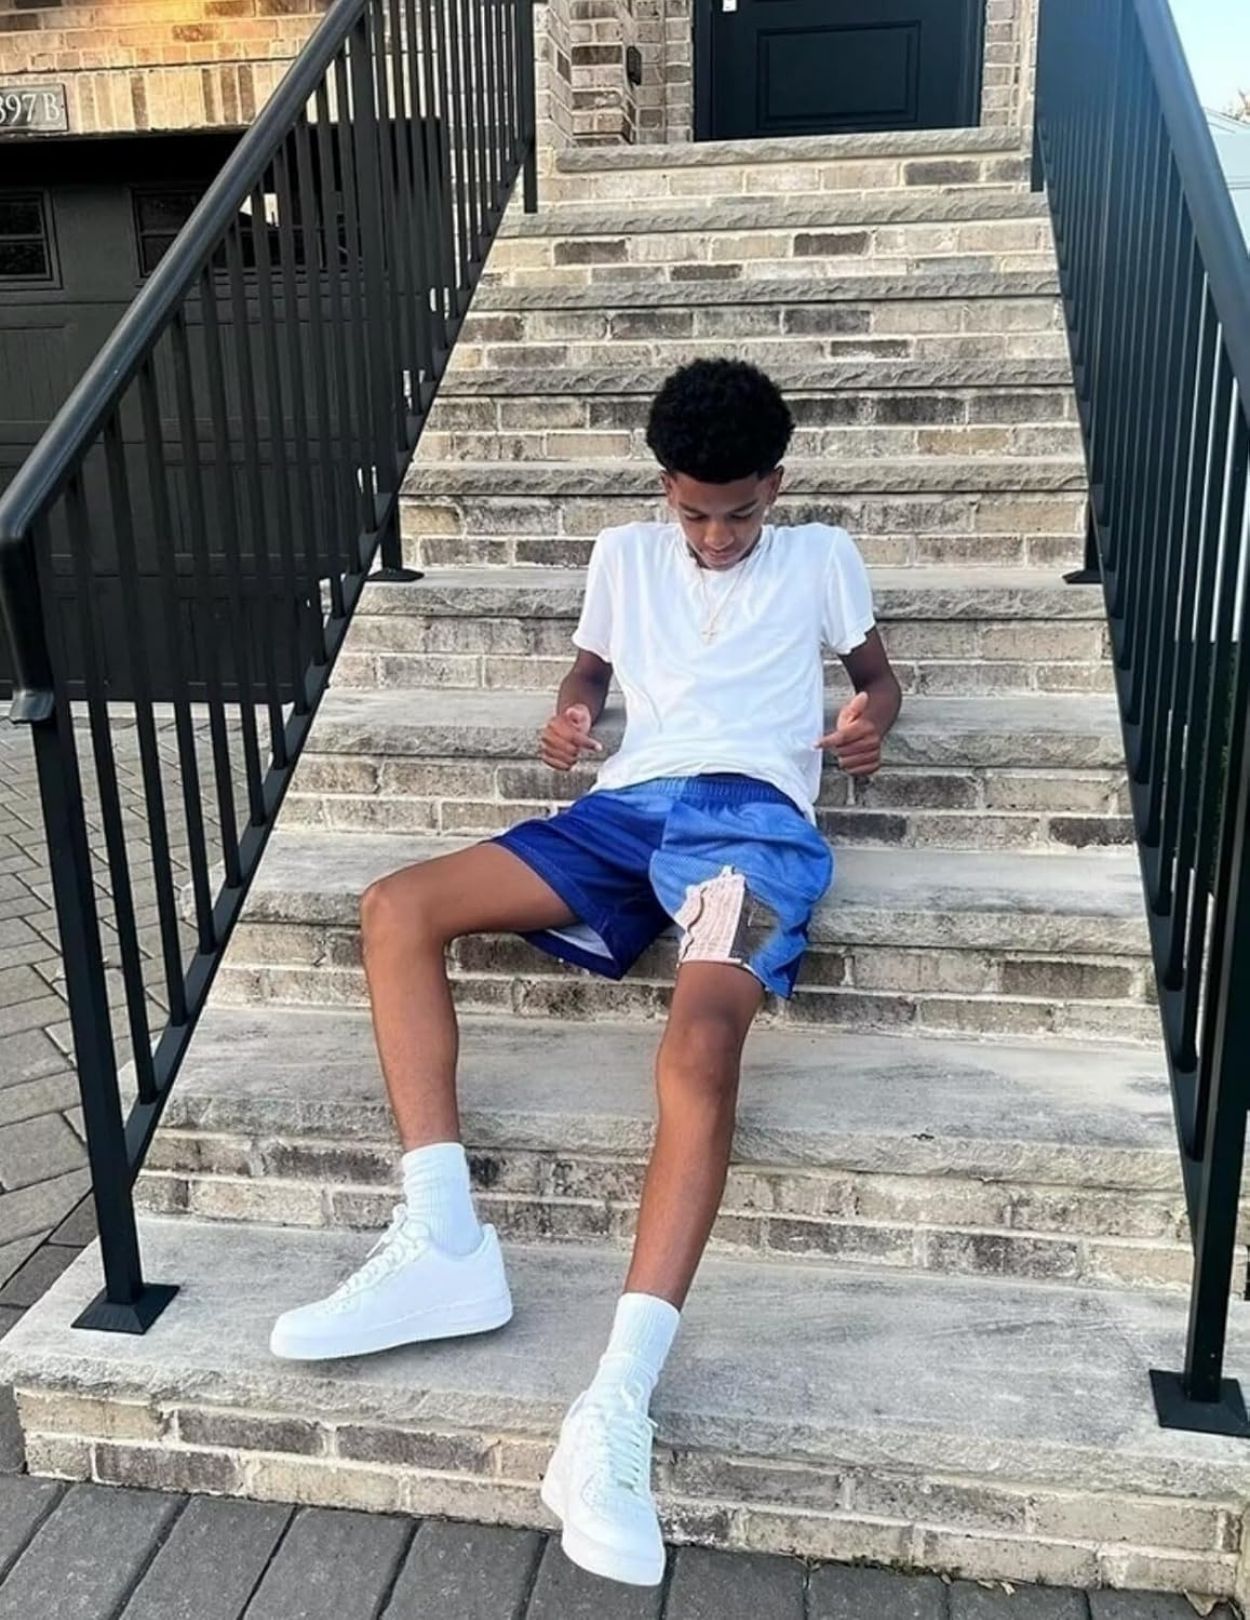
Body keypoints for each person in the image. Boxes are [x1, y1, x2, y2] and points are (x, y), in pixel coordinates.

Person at [269, 358, 903, 1587]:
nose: (715, 536)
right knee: (396, 907)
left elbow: (873, 678)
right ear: (662, 488)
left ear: (775, 485)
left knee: (702, 1039)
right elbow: (589, 677)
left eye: (739, 511)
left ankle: (614, 1400)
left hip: (751, 828)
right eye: (693, 511)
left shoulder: (820, 557)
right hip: (620, 813)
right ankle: (443, 1239)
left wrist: (870, 721)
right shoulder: (622, 556)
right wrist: (570, 717)